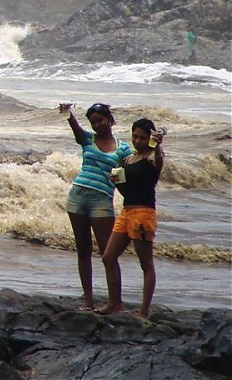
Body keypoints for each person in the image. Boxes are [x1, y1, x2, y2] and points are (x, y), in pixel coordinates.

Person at [60, 102, 133, 310]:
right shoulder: (87, 140)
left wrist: (155, 150)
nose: (97, 125)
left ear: (110, 119)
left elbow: (130, 171)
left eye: (100, 120)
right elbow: (74, 126)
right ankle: (89, 301)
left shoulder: (123, 148)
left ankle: (115, 303)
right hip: (78, 197)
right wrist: (67, 112)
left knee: (108, 254)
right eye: (93, 122)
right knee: (83, 250)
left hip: (102, 200)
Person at [97, 118, 164, 319]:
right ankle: (114, 303)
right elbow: (127, 191)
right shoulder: (128, 160)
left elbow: (159, 164)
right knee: (108, 257)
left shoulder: (151, 158)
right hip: (127, 211)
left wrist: (158, 146)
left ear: (149, 138)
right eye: (135, 136)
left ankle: (144, 311)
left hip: (144, 213)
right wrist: (116, 182)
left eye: (143, 137)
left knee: (146, 264)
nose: (138, 141)